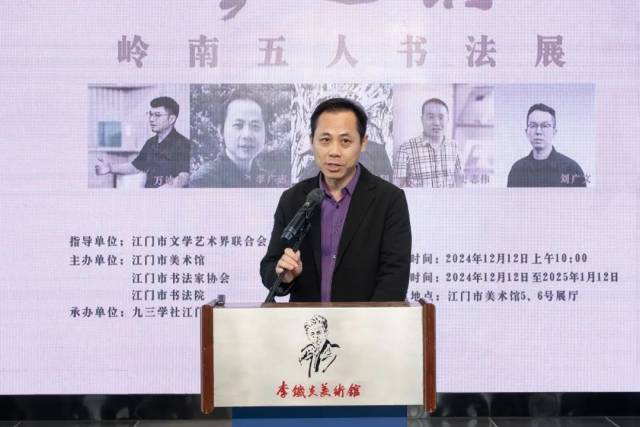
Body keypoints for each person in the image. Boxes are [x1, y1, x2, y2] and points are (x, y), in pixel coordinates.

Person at [260, 97, 411, 302]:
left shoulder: (389, 200)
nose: (334, 152)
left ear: (363, 143)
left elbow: (394, 278)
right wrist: (284, 277)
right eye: (325, 140)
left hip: (363, 321)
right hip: (306, 321)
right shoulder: (294, 198)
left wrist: (368, 321)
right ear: (312, 141)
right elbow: (270, 266)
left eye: (345, 141)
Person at [191, 91, 286, 187]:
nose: (247, 135)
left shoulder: (267, 182)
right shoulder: (204, 180)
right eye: (238, 125)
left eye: (255, 126)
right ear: (221, 131)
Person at [95, 96, 190, 188]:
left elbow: (183, 178)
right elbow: (136, 166)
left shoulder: (183, 144)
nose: (151, 119)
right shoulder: (150, 143)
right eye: (150, 114)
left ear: (171, 119)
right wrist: (110, 168)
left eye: (157, 115)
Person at [507, 103, 586, 187]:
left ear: (554, 132)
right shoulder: (517, 170)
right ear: (526, 132)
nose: (538, 132)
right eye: (533, 126)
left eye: (545, 126)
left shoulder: (572, 169)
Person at [393, 98, 463, 188]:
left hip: (448, 198)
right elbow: (396, 187)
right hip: (418, 198)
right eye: (430, 117)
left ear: (448, 119)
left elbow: (460, 182)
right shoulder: (406, 149)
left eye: (441, 117)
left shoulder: (454, 147)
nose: (436, 123)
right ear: (422, 119)